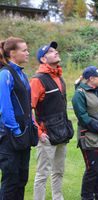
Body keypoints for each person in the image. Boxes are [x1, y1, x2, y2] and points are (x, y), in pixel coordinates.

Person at [30, 41, 73, 200]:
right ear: (43, 59)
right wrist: (39, 132)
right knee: (42, 175)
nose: (56, 52)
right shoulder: (37, 80)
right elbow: (29, 109)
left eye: (56, 50)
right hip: (46, 135)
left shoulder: (59, 78)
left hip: (62, 133)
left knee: (59, 172)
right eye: (51, 51)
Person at [0, 37, 36, 199]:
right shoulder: (5, 74)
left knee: (22, 179)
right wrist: (16, 131)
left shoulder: (23, 74)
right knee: (11, 181)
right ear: (12, 53)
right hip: (10, 136)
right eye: (24, 50)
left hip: (25, 133)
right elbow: (5, 107)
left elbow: (27, 104)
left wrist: (33, 124)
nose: (28, 53)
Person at [72, 66, 98, 200]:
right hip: (90, 139)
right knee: (92, 171)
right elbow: (83, 118)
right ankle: (87, 197)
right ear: (91, 79)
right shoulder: (79, 94)